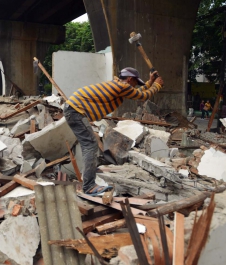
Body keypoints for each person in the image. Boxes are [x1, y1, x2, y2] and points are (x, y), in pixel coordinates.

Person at [65, 67, 163, 195]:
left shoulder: (118, 84)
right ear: (129, 79)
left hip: (73, 110)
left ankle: (90, 174)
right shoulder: (123, 86)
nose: (135, 86)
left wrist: (150, 82)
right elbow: (142, 96)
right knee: (90, 145)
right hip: (76, 112)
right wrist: (157, 85)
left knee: (89, 145)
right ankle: (89, 186)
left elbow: (136, 92)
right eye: (135, 82)